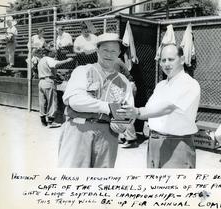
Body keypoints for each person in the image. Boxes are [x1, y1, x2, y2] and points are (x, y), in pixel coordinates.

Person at [117, 44, 201, 168]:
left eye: (171, 59)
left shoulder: (189, 83)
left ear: (182, 60)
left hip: (177, 143)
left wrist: (137, 112)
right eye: (163, 60)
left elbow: (167, 108)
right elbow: (150, 109)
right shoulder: (161, 85)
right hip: (154, 141)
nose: (166, 64)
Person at [58, 33, 134, 168]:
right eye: (105, 49)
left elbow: (128, 110)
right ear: (97, 50)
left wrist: (122, 123)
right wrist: (109, 108)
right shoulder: (83, 71)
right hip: (79, 130)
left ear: (119, 53)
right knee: (72, 179)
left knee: (101, 181)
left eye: (113, 51)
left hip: (108, 134)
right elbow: (76, 101)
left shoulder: (123, 81)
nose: (109, 54)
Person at [38, 48, 73, 128]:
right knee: (52, 102)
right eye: (53, 52)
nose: (55, 54)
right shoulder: (48, 59)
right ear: (49, 53)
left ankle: (43, 121)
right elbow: (55, 64)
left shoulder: (41, 60)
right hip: (48, 81)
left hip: (41, 82)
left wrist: (56, 75)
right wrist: (67, 60)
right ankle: (51, 122)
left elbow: (49, 69)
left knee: (42, 102)